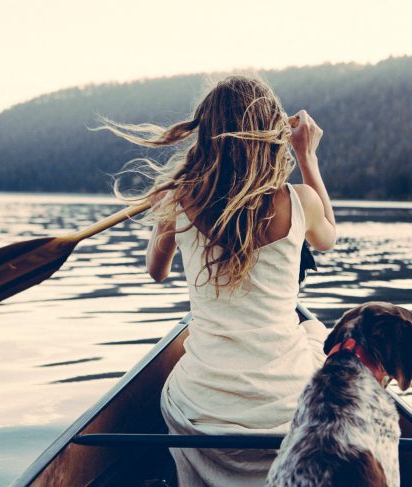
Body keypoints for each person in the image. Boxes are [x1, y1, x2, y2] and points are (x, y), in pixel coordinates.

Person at [98, 75, 336, 486]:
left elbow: (155, 272)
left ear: (204, 136)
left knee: (176, 387)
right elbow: (328, 238)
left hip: (200, 413)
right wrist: (307, 156)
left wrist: (163, 214)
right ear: (270, 136)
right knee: (316, 331)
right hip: (286, 412)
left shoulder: (179, 199)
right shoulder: (301, 201)